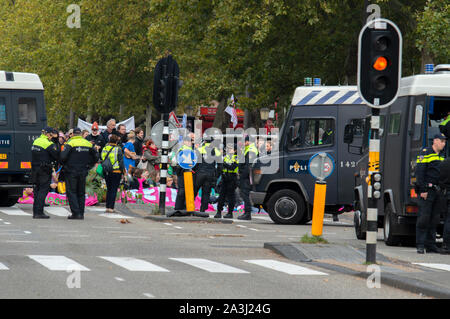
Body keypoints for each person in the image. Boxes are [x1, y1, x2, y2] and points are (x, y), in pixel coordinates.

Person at [415, 133, 447, 254]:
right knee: (424, 218)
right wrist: (422, 190)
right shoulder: (425, 153)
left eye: (444, 142)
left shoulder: (442, 155)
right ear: (435, 141)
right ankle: (420, 244)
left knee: (434, 219)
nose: (444, 144)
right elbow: (420, 172)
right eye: (442, 141)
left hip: (438, 191)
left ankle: (431, 245)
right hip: (427, 191)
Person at [60, 127, 99, 219]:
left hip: (71, 170)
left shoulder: (70, 143)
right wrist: (89, 166)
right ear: (81, 134)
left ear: (72, 134)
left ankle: (76, 213)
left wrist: (65, 165)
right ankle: (81, 213)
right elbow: (96, 156)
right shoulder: (87, 143)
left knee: (71, 192)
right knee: (81, 192)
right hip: (83, 170)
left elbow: (62, 157)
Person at [31, 127, 60, 219]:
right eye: (51, 135)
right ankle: (39, 212)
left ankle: (35, 212)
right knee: (43, 191)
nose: (52, 137)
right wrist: (56, 142)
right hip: (44, 169)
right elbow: (57, 155)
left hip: (35, 169)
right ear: (48, 134)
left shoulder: (36, 141)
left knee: (37, 190)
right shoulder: (48, 144)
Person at [195, 136, 222, 212]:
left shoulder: (199, 150)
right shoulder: (216, 151)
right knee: (206, 193)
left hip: (199, 174)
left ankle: (189, 208)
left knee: (194, 191)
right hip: (210, 174)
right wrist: (216, 175)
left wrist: (196, 172)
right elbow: (220, 166)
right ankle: (203, 211)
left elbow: (194, 163)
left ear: (205, 142)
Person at [101, 134, 124, 213]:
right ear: (117, 141)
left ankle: (107, 207)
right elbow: (121, 162)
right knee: (114, 189)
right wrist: (123, 172)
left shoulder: (104, 148)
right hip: (116, 171)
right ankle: (111, 207)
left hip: (107, 171)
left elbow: (102, 158)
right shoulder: (118, 149)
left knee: (109, 189)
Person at [238, 135, 259, 220]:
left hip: (246, 177)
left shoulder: (251, 151)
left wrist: (242, 177)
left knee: (245, 194)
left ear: (248, 142)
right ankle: (246, 212)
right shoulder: (248, 150)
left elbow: (248, 167)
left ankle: (247, 213)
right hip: (247, 177)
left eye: (244, 141)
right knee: (244, 194)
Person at [215, 143, 238, 219]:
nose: (228, 150)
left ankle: (230, 213)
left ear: (235, 150)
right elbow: (220, 167)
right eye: (227, 148)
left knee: (231, 196)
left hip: (232, 178)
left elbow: (232, 167)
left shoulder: (236, 157)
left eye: (230, 149)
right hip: (224, 178)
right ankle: (218, 212)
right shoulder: (225, 157)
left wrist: (223, 164)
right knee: (221, 196)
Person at [174, 136, 194, 211]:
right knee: (182, 190)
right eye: (188, 141)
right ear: (184, 142)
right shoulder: (184, 149)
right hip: (183, 172)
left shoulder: (189, 150)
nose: (190, 143)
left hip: (184, 172)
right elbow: (180, 162)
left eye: (190, 141)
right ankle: (179, 208)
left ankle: (181, 207)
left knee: (184, 190)